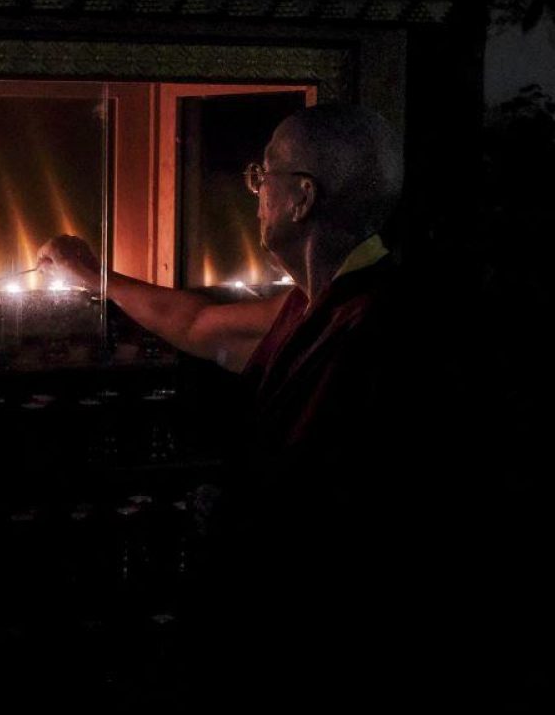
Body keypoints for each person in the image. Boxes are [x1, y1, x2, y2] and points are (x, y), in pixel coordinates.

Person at [38, 104, 474, 707]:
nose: (255, 192)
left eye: (262, 175)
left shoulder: (377, 329)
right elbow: (200, 323)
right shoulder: (312, 304)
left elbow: (317, 501)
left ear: (301, 198)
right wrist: (95, 278)